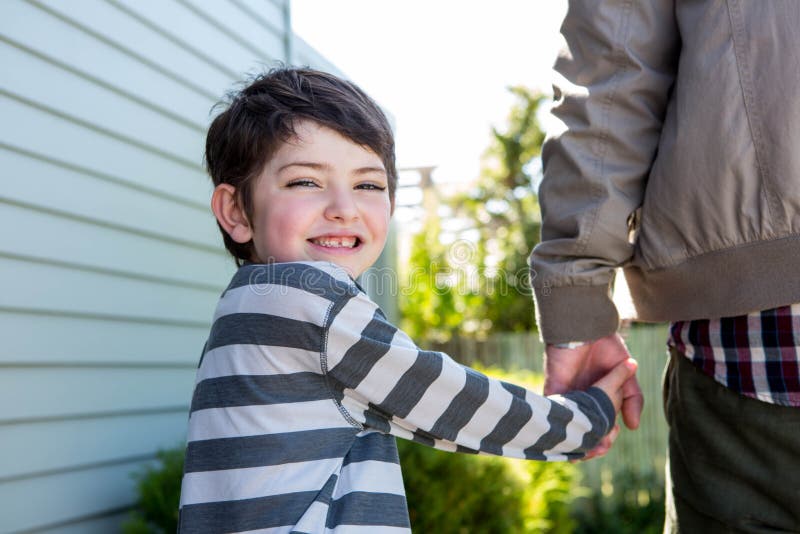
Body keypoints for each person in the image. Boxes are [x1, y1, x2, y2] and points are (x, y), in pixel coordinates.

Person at [177, 66, 636, 533]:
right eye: (305, 182)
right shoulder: (305, 302)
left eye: (368, 185)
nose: (343, 206)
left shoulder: (247, 306)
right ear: (235, 210)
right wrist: (586, 419)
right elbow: (453, 402)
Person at [530, 2, 800, 532]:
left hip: (752, 346)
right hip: (752, 351)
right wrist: (576, 301)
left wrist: (577, 297)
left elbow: (612, 69)